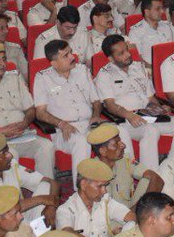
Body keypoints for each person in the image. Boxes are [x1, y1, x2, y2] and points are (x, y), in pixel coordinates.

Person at [0, 43, 57, 180]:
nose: (2, 63)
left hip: (22, 134)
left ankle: (46, 190)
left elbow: (30, 109)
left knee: (47, 146)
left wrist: (24, 123)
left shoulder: (15, 77)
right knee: (9, 155)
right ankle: (15, 198)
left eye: (4, 59)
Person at [34, 39, 114, 167]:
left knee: (116, 133)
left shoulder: (82, 70)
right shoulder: (43, 78)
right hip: (63, 131)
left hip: (89, 124)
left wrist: (95, 116)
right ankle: (81, 186)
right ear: (54, 63)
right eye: (66, 56)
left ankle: (123, 179)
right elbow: (40, 113)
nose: (72, 57)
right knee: (82, 141)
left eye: (70, 52)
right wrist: (61, 124)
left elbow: (96, 101)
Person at [0, 132, 58, 227]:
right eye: (4, 153)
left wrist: (51, 206)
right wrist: (42, 199)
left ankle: (39, 232)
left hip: (21, 217)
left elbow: (52, 182)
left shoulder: (10, 166)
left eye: (7, 151)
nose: (10, 156)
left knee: (46, 185)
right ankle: (37, 234)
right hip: (2, 228)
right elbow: (4, 211)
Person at [55, 159, 134, 237]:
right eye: (100, 186)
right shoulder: (65, 210)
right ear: (83, 184)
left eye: (105, 186)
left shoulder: (105, 200)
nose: (105, 191)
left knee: (132, 225)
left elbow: (131, 217)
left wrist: (121, 231)